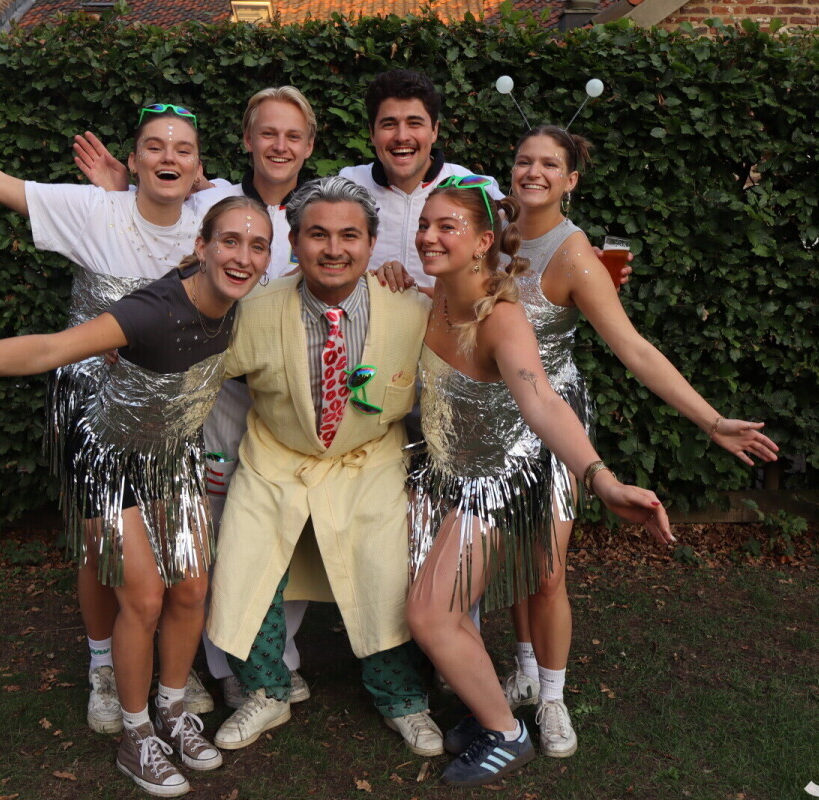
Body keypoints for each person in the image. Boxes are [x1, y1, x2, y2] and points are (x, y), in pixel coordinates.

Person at [0, 195, 272, 797]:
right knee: (144, 597)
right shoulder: (152, 310)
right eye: (230, 241)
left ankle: (173, 710)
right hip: (107, 458)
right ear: (202, 247)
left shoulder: (242, 303)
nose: (243, 256)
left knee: (193, 588)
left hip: (173, 457)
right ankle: (137, 735)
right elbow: (46, 349)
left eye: (257, 246)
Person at [0, 84, 232, 735]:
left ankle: (160, 664)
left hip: (165, 412)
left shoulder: (211, 222)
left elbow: (272, 214)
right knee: (105, 548)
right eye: (153, 147)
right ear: (133, 159)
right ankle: (105, 665)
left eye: (182, 149)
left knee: (173, 561)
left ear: (199, 168)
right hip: (92, 405)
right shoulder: (94, 210)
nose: (168, 157)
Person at [497, 126, 780, 758]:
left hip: (553, 424)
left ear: (571, 180)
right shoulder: (496, 232)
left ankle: (552, 698)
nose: (533, 172)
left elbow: (635, 349)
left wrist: (711, 421)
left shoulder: (575, 255)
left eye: (550, 165)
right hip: (493, 417)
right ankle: (523, 666)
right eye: (524, 161)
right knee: (513, 558)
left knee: (546, 567)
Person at [403, 178, 675, 787]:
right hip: (446, 476)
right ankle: (488, 714)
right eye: (424, 225)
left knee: (429, 613)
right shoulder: (436, 296)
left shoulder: (501, 318)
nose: (428, 237)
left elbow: (544, 402)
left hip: (496, 485)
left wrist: (601, 479)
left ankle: (508, 734)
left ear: (482, 243)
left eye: (446, 227)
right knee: (444, 610)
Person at [72, 86, 320, 712]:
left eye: (293, 135)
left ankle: (263, 657)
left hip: (287, 395)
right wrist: (120, 190)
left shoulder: (322, 206)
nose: (279, 146)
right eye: (267, 133)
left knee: (277, 524)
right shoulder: (211, 200)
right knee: (200, 535)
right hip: (208, 393)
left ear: (309, 145)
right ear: (246, 140)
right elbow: (154, 217)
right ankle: (204, 665)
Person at [205, 176, 444, 757]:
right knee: (245, 562)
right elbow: (194, 366)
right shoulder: (254, 310)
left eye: (349, 236)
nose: (334, 249)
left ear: (372, 243)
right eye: (317, 235)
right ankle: (267, 690)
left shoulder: (412, 310)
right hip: (277, 457)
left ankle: (402, 699)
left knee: (384, 573)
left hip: (370, 459)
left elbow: (461, 371)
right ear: (293, 241)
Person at [339, 69, 503, 291]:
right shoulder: (347, 187)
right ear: (372, 133)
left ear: (435, 130)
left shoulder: (473, 187)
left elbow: (508, 274)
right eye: (389, 124)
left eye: (414, 123)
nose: (402, 136)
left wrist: (426, 295)